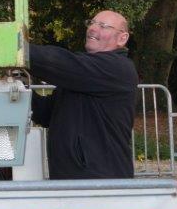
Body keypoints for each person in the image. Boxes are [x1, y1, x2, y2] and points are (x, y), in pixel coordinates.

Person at [28, 11, 138, 180]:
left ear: (122, 38)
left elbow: (59, 63)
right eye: (92, 23)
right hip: (72, 182)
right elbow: (46, 114)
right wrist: (19, 91)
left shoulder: (117, 68)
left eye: (103, 26)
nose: (93, 28)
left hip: (102, 184)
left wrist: (17, 49)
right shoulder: (82, 75)